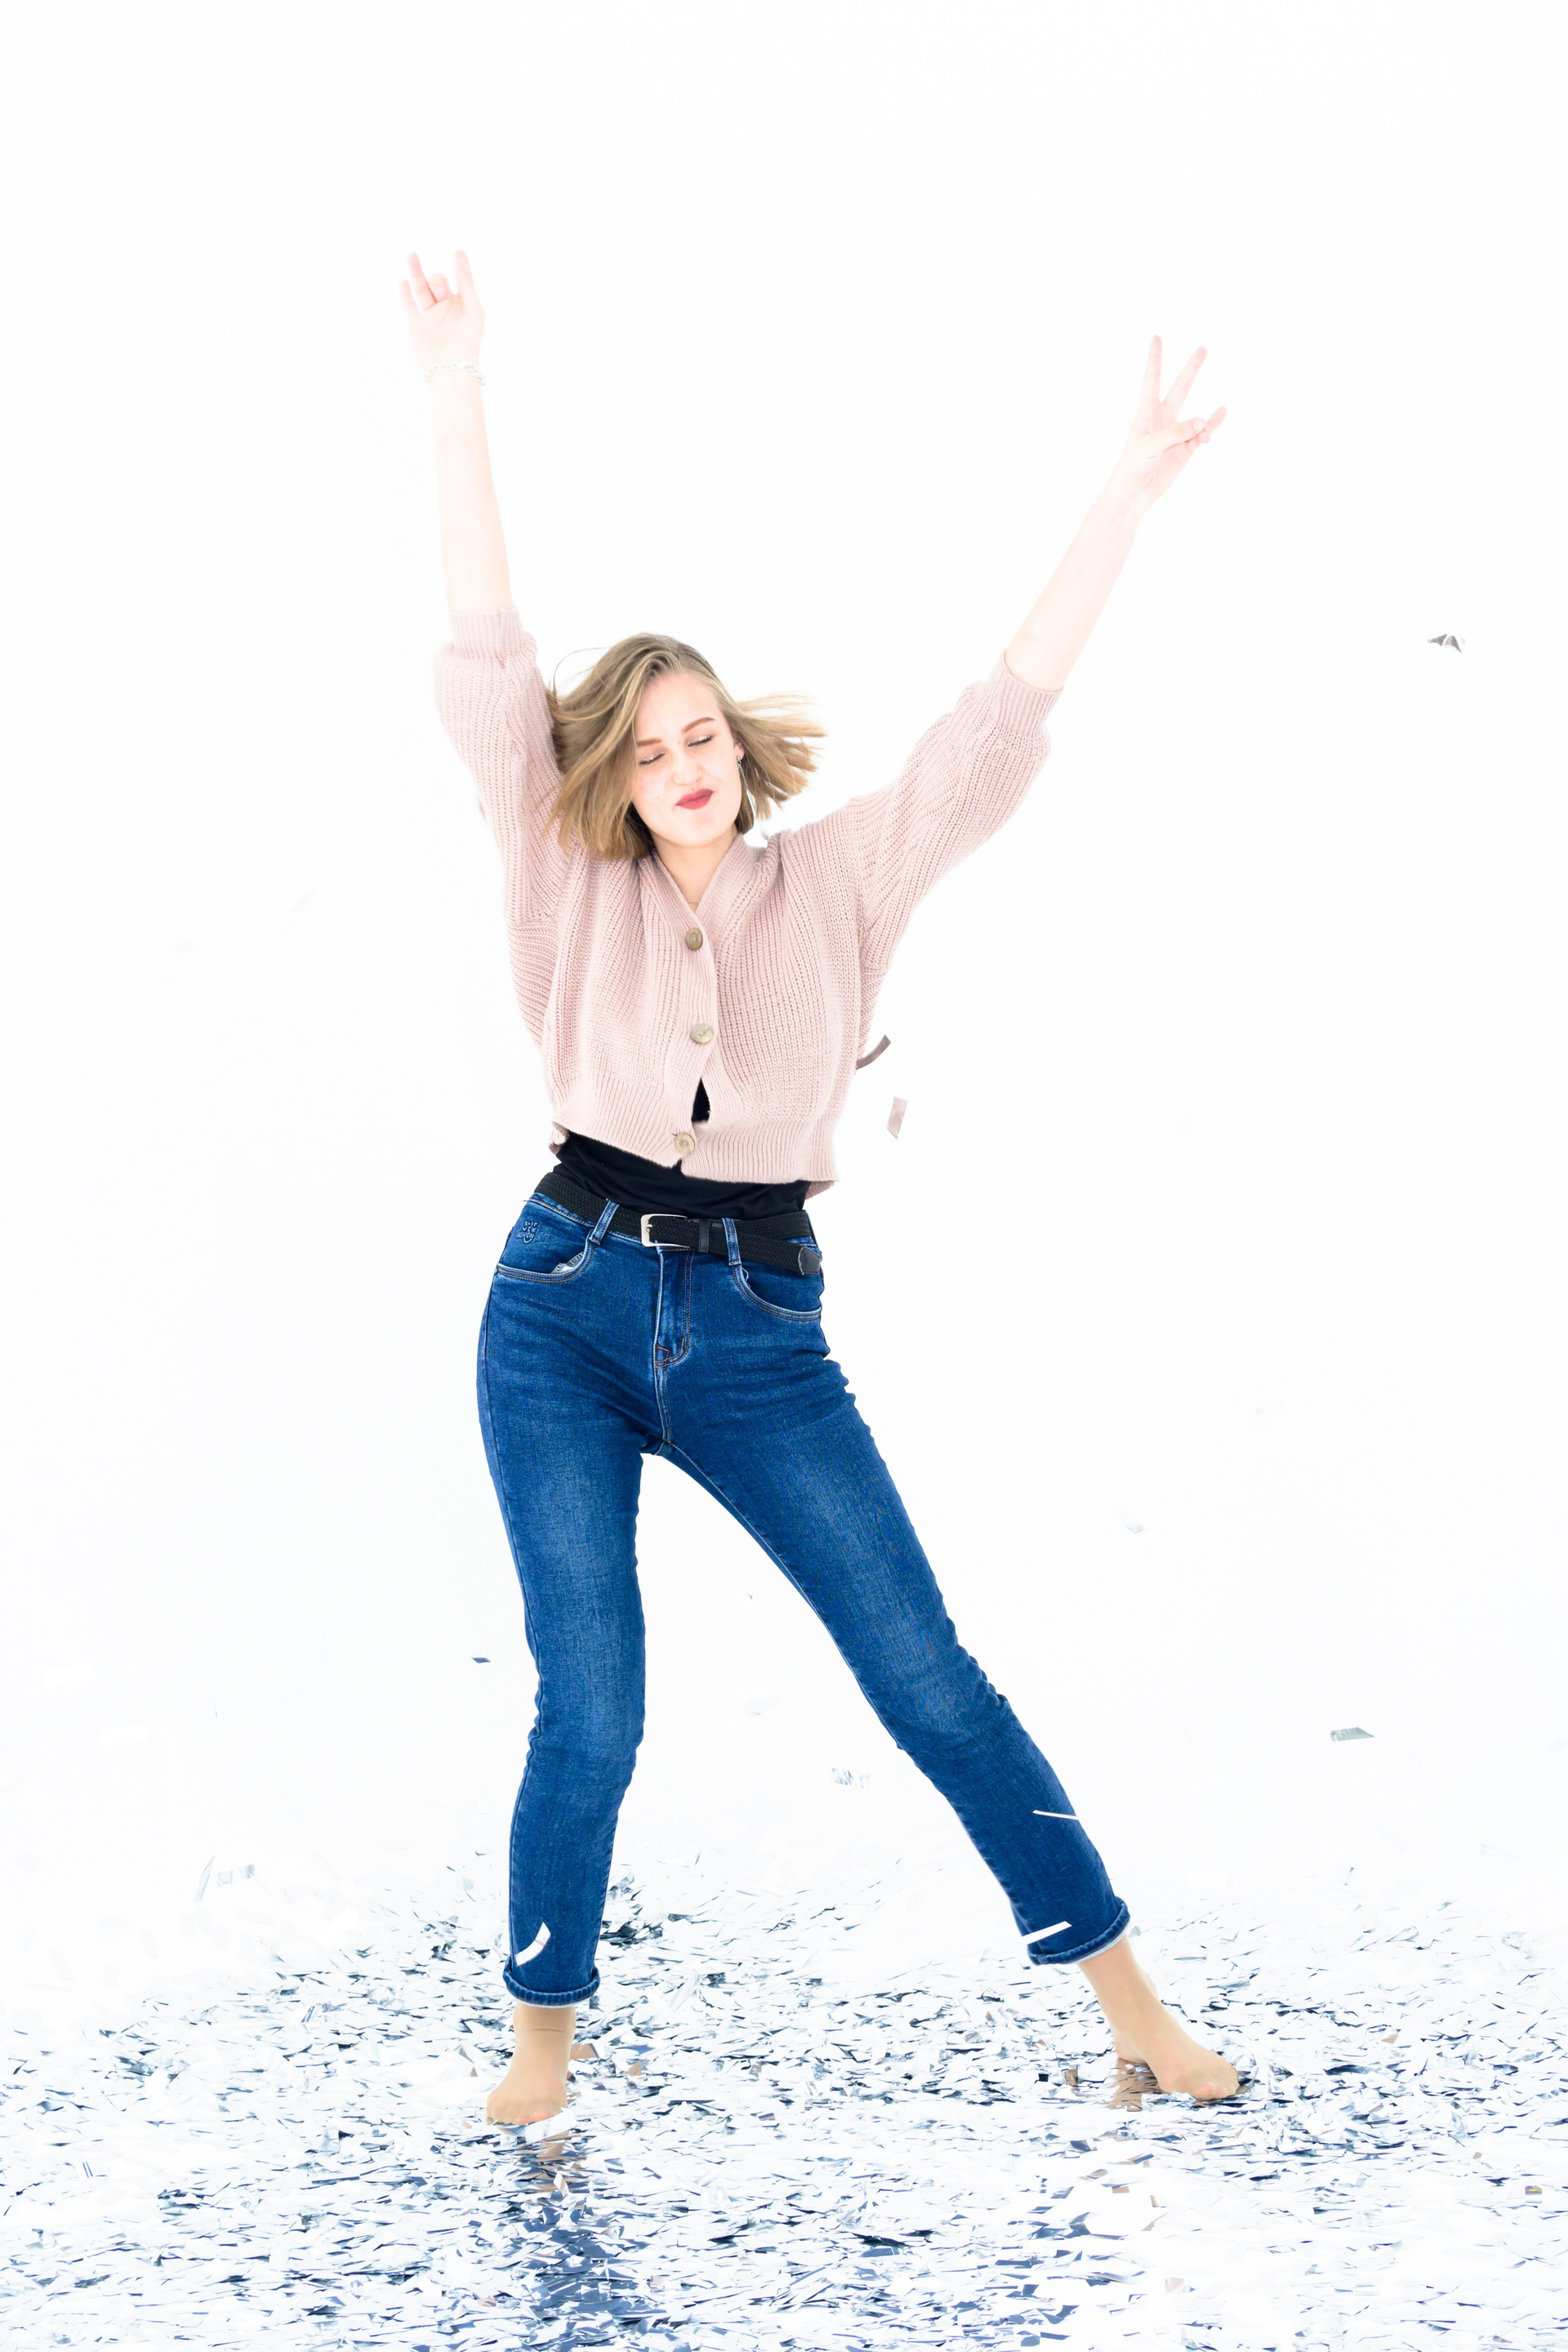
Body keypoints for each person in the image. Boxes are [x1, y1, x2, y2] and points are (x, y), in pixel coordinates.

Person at [401, 248, 1237, 2123]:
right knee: (593, 1701)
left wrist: (1124, 490)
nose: (684, 766)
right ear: (615, 775)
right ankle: (540, 2054)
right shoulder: (560, 872)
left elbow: (991, 734)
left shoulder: (841, 883)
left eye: (704, 735)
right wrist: (455, 390)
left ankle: (1133, 2010)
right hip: (561, 1308)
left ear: (736, 747)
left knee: (925, 1675)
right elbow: (489, 661)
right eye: (650, 748)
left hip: (761, 1331)